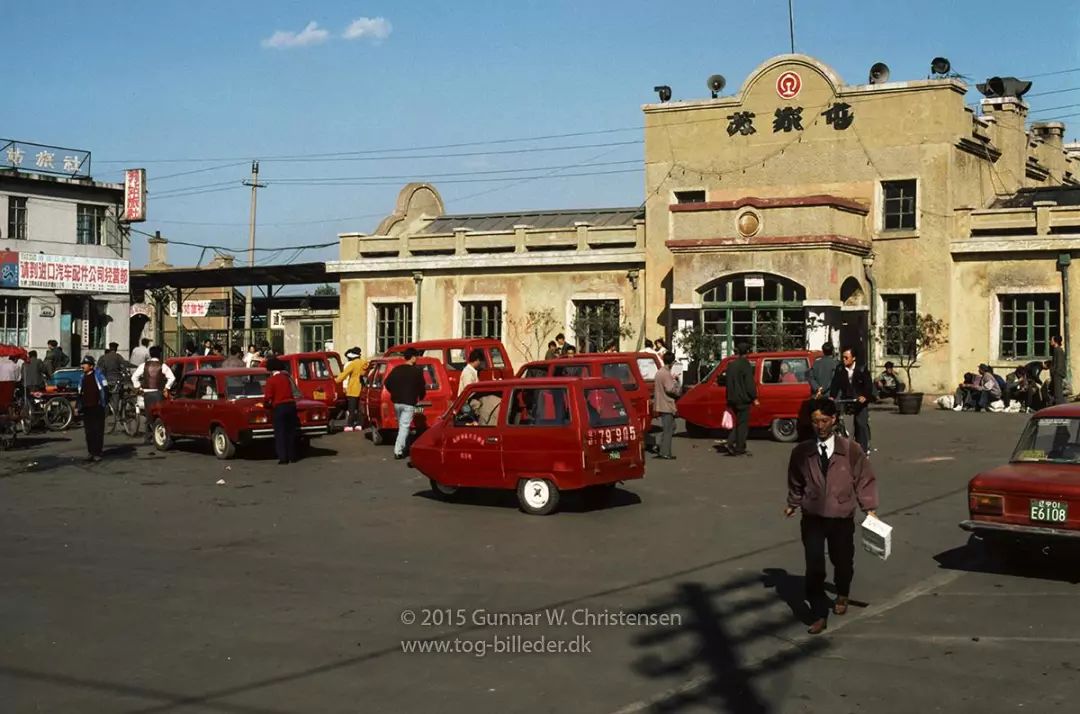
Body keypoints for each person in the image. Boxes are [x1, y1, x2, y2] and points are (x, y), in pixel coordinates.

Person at [785, 399, 878, 635]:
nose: (820, 426)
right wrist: (793, 503)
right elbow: (796, 480)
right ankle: (818, 613)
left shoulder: (850, 449)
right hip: (813, 516)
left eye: (824, 421)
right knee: (814, 565)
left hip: (841, 516)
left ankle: (842, 592)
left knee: (843, 561)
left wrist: (869, 507)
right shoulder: (802, 452)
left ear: (834, 420)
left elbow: (864, 479)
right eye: (815, 421)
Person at [384, 348, 426, 460]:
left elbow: (387, 383)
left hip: (397, 402)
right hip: (409, 402)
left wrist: (394, 392)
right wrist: (420, 396)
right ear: (412, 357)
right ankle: (398, 450)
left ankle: (405, 446)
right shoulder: (417, 371)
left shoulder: (396, 369)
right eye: (416, 356)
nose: (417, 358)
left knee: (402, 426)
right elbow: (422, 386)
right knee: (404, 426)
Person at [829, 348, 873, 454]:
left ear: (853, 358)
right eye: (843, 357)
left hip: (860, 400)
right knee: (843, 423)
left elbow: (868, 386)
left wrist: (864, 396)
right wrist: (832, 396)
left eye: (846, 357)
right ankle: (845, 445)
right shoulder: (840, 369)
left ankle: (863, 449)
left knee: (861, 423)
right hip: (847, 399)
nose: (844, 359)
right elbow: (835, 384)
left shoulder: (862, 369)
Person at [132, 346, 175, 443]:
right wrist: (166, 388)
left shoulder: (144, 365)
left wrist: (138, 387)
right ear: (159, 355)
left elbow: (134, 377)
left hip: (147, 394)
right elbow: (172, 378)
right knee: (160, 415)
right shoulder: (162, 365)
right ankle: (160, 435)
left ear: (150, 354)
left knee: (148, 415)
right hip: (158, 393)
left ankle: (148, 437)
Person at [262, 357, 299, 464]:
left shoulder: (271, 380)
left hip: (279, 407)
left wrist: (265, 405)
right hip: (291, 406)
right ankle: (292, 456)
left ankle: (283, 458)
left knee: (280, 433)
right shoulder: (286, 378)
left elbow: (268, 397)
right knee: (290, 432)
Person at [725, 342, 758, 456]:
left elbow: (727, 383)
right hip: (743, 399)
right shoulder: (745, 365)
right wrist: (754, 397)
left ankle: (731, 442)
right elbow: (749, 384)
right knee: (742, 424)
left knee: (738, 422)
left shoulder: (731, 365)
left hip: (732, 398)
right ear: (747, 352)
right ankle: (739, 447)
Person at [78, 355, 108, 462]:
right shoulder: (82, 377)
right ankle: (90, 452)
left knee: (98, 431)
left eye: (85, 364)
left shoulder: (98, 375)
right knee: (88, 431)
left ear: (91, 366)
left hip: (97, 407)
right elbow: (80, 392)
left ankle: (97, 452)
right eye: (82, 364)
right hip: (87, 407)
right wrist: (79, 405)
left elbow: (105, 388)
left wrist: (104, 404)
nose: (83, 366)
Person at [653, 351, 680, 460]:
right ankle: (665, 452)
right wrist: (676, 383)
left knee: (672, 426)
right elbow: (670, 389)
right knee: (669, 429)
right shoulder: (665, 373)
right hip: (666, 404)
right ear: (672, 362)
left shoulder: (660, 372)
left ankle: (659, 445)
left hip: (661, 403)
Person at [335, 347, 368, 432]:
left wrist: (336, 380)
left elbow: (344, 375)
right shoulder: (365, 363)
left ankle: (350, 425)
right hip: (362, 388)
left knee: (351, 409)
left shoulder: (352, 364)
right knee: (360, 408)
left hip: (353, 388)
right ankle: (360, 424)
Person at [97, 342, 128, 417]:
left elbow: (98, 369)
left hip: (106, 380)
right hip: (116, 380)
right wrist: (124, 373)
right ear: (116, 349)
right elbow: (124, 367)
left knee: (104, 395)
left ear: (110, 348)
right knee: (116, 396)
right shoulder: (118, 357)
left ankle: (105, 411)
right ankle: (116, 414)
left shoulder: (103, 357)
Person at [1050, 335, 1067, 405]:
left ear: (1055, 341)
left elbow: (1059, 363)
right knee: (1055, 392)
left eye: (1051, 340)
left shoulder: (1058, 350)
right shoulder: (1056, 350)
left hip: (1058, 374)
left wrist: (1055, 373)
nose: (1050, 341)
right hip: (1056, 374)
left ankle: (1060, 408)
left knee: (1058, 393)